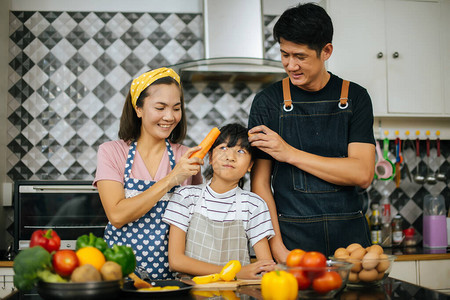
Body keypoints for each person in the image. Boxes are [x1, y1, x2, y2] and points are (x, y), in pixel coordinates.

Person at [247, 3, 376, 261]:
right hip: (292, 241)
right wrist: (278, 249)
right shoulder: (267, 103)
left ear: (326, 51)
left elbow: (362, 174)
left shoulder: (355, 98)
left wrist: (289, 153)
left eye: (300, 56)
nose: (291, 65)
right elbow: (259, 184)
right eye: (285, 54)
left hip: (351, 246)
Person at [94, 67, 203, 279]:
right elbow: (117, 216)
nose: (170, 117)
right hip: (120, 275)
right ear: (139, 109)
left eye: (176, 108)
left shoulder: (186, 156)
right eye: (160, 107)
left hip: (176, 279)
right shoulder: (112, 152)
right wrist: (173, 178)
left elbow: (198, 223)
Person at [162, 123, 276, 279]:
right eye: (223, 148)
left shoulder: (254, 205)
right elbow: (176, 261)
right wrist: (234, 273)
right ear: (209, 157)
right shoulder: (185, 196)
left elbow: (266, 266)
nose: (230, 156)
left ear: (250, 165)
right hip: (191, 291)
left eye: (241, 151)